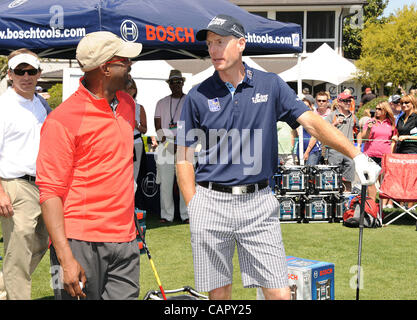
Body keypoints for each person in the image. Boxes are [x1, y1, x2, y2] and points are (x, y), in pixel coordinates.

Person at [176, 14, 380, 300]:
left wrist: (356, 154)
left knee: (280, 293)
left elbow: (311, 122)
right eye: (210, 44)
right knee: (219, 295)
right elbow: (183, 157)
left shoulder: (270, 85)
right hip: (210, 201)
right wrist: (193, 204)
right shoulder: (197, 94)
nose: (214, 50)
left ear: (241, 44)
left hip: (258, 201)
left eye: (221, 42)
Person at [36, 31, 143, 300]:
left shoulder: (128, 105)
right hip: (77, 243)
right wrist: (65, 258)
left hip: (126, 239)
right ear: (105, 68)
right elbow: (49, 193)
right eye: (124, 60)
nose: (130, 65)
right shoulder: (61, 120)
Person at [0, 49, 50, 300]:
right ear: (10, 74)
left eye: (31, 71)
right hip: (15, 186)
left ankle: (3, 289)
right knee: (18, 255)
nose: (26, 76)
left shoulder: (41, 104)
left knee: (40, 243)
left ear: (39, 73)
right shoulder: (2, 106)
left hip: (43, 185)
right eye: (20, 71)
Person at [154, 69, 189, 223]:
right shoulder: (161, 103)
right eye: (173, 82)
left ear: (182, 83)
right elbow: (157, 126)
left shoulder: (189, 101)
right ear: (169, 85)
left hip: (185, 145)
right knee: (166, 183)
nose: (176, 85)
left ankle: (186, 214)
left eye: (179, 81)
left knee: (186, 181)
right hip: (165, 145)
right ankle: (166, 215)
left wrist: (182, 144)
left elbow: (195, 123)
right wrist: (167, 144)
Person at [357, 101, 396, 206]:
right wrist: (369, 128)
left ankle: (383, 205)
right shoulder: (371, 121)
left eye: (380, 109)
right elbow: (364, 137)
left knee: (385, 181)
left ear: (385, 110)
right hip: (370, 154)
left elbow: (394, 139)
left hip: (385, 155)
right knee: (370, 181)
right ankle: (371, 204)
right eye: (376, 109)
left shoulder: (391, 123)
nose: (377, 111)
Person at [325, 92, 360, 192]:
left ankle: (346, 203)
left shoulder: (353, 117)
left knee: (348, 179)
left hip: (349, 151)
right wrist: (335, 123)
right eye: (345, 101)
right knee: (334, 179)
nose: (348, 103)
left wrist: (359, 145)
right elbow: (324, 131)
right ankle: (335, 203)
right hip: (334, 151)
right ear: (339, 102)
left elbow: (359, 132)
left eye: (349, 100)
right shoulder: (332, 115)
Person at [125, 76, 147, 191]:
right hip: (123, 144)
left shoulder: (139, 107)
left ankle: (131, 203)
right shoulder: (117, 106)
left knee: (134, 175)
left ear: (135, 90)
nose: (129, 90)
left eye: (131, 88)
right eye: (126, 88)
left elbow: (145, 129)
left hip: (136, 143)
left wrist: (137, 125)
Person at [297, 98, 322, 165]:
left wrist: (307, 152)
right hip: (301, 148)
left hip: (313, 150)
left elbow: (314, 137)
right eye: (302, 106)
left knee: (310, 171)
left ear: (311, 107)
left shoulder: (314, 119)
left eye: (307, 106)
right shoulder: (298, 118)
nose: (304, 108)